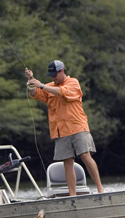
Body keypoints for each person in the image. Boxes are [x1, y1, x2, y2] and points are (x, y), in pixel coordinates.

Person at [25, 60, 105, 195]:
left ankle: (100, 189)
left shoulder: (73, 82)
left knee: (85, 155)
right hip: (60, 130)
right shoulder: (49, 86)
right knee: (67, 162)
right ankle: (72, 195)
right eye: (50, 75)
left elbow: (62, 92)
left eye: (54, 75)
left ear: (62, 71)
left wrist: (42, 85)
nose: (52, 78)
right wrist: (31, 81)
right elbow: (35, 93)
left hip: (77, 126)